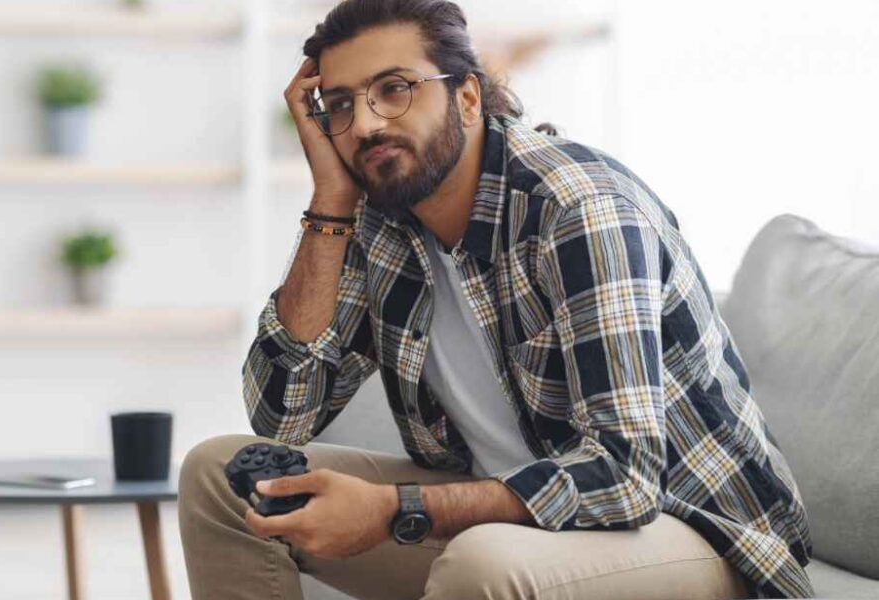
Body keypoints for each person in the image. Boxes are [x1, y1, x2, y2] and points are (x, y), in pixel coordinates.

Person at [178, 1, 814, 598]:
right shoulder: (381, 222)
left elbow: (624, 477)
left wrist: (395, 509)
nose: (366, 124)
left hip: (694, 531)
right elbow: (282, 417)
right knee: (223, 476)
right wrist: (331, 203)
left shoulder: (579, 210)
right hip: (512, 519)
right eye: (340, 105)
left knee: (484, 561)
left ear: (468, 95)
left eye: (395, 89)